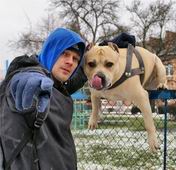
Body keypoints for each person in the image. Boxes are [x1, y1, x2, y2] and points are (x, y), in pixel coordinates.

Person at [0, 28, 135, 170]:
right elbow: (26, 82)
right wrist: (28, 78)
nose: (70, 62)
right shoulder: (29, 80)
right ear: (51, 51)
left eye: (76, 58)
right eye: (64, 54)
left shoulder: (55, 86)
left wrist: (102, 49)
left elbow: (73, 81)